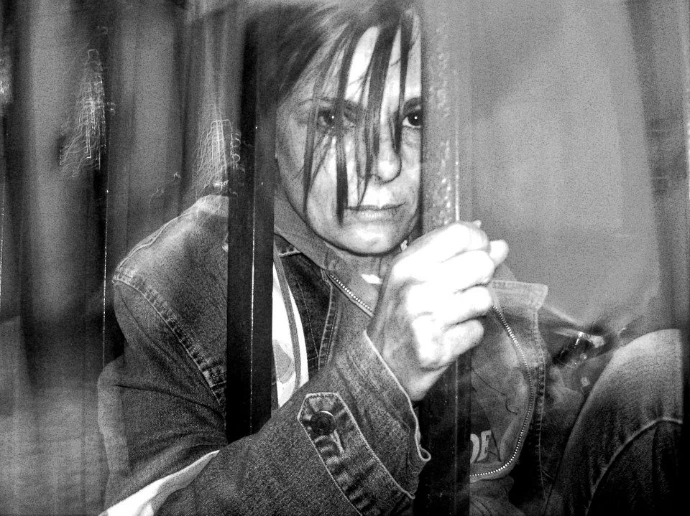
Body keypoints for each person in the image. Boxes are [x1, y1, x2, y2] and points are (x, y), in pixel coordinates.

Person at [98, 0, 683, 514]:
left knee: (661, 372)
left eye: (413, 118)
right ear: (266, 124)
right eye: (333, 118)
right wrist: (379, 378)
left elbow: (524, 463)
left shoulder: (448, 231)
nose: (385, 165)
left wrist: (580, 373)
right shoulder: (183, 280)